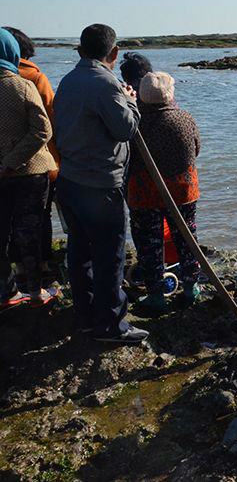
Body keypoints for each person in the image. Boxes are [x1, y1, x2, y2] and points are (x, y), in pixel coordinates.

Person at [54, 24, 148, 343]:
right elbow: (125, 130)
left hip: (69, 180)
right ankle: (111, 325)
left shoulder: (68, 80)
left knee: (80, 252)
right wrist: (131, 100)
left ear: (81, 50)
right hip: (100, 185)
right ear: (114, 52)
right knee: (110, 255)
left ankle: (86, 315)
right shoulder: (105, 83)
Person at [126, 72, 204, 314]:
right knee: (186, 237)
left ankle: (156, 294)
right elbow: (196, 149)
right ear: (169, 94)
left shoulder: (134, 123)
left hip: (144, 193)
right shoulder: (184, 118)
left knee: (149, 244)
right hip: (182, 189)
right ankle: (192, 288)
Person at [0, 28, 57, 308]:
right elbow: (43, 130)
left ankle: (7, 294)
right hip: (30, 173)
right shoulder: (23, 85)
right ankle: (36, 293)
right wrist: (13, 161)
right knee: (29, 235)